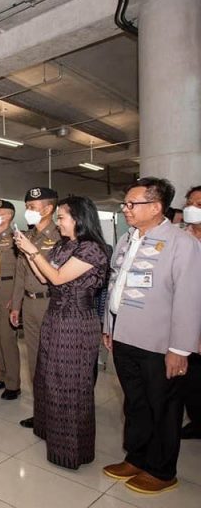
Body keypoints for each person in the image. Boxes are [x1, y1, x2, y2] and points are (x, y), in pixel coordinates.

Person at [102, 178, 201, 494]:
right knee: (135, 403)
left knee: (163, 407)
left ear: (156, 207)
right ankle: (136, 458)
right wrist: (109, 327)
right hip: (124, 336)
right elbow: (115, 285)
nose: (126, 209)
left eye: (133, 204)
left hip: (160, 343)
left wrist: (180, 349)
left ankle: (161, 470)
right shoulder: (127, 238)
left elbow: (189, 298)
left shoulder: (181, 243)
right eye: (126, 203)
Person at [14, 196, 109, 469]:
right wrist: (27, 252)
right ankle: (50, 433)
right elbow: (44, 276)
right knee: (48, 378)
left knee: (70, 384)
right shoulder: (63, 245)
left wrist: (33, 251)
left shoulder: (91, 249)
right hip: (55, 317)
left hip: (76, 322)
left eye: (62, 217)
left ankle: (70, 451)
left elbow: (58, 278)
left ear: (78, 218)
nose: (59, 222)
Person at [11, 187, 61, 429]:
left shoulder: (60, 236)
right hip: (30, 304)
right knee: (33, 359)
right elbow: (20, 273)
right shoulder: (27, 236)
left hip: (50, 302)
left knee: (52, 360)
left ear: (48, 209)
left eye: (32, 207)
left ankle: (57, 412)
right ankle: (41, 410)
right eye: (27, 207)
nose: (28, 211)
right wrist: (16, 305)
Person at [0, 200, 21, 400]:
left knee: (7, 339)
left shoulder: (17, 238)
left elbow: (22, 271)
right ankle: (3, 375)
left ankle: (13, 383)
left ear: (9, 215)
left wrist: (16, 299)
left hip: (8, 289)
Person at [181, 185, 201, 439]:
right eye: (189, 203)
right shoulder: (179, 237)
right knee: (190, 376)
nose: (192, 208)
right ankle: (197, 421)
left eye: (199, 205)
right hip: (184, 316)